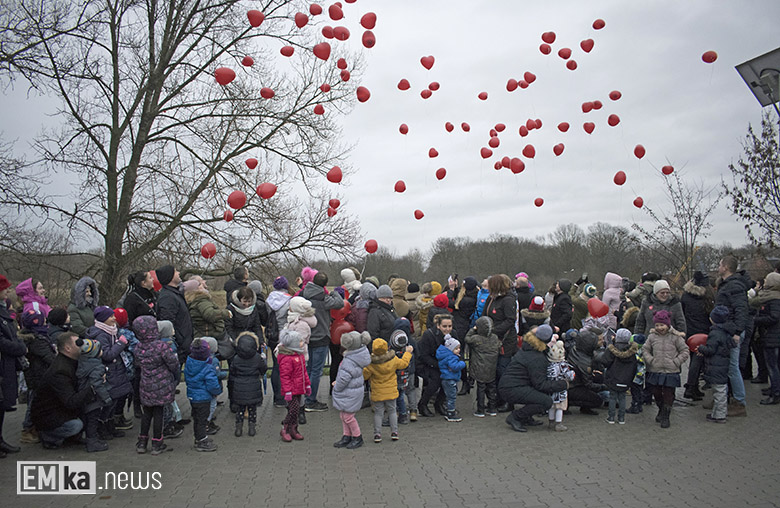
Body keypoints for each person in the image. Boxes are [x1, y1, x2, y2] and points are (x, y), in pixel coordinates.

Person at [498, 324, 569, 433]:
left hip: (510, 385)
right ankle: (515, 417)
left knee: (537, 396)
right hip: (511, 388)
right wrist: (563, 384)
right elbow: (540, 384)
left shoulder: (529, 347)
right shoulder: (536, 357)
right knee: (545, 402)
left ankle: (526, 417)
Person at [31, 332, 95, 449]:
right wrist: (92, 387)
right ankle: (48, 436)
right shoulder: (60, 371)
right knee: (76, 425)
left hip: (60, 409)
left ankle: (71, 436)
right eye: (77, 343)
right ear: (68, 348)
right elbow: (70, 401)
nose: (82, 345)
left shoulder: (70, 363)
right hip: (48, 415)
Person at [133, 315, 179, 454]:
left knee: (147, 413)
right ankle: (157, 443)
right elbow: (173, 363)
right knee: (159, 413)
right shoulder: (161, 346)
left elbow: (137, 363)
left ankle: (142, 442)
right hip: (161, 384)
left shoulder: (138, 347)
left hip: (145, 383)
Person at [86, 305, 132, 439]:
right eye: (110, 316)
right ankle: (102, 427)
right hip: (108, 371)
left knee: (115, 400)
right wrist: (121, 344)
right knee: (108, 402)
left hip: (116, 371)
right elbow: (106, 355)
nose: (114, 318)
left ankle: (111, 425)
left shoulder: (112, 331)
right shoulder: (101, 334)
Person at [714, 255, 751, 416]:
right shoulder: (728, 285)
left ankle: (739, 402)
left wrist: (737, 332)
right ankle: (723, 399)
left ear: (726, 267)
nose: (718, 267)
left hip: (731, 331)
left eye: (720, 264)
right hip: (726, 329)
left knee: (732, 367)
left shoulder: (734, 286)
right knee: (726, 366)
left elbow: (741, 310)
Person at [302, 272, 344, 412]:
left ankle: (305, 396)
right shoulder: (324, 298)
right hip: (321, 337)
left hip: (307, 336)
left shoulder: (304, 294)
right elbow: (339, 303)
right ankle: (311, 401)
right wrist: (334, 293)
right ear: (325, 285)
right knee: (316, 371)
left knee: (308, 369)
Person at [643, 310, 689, 429]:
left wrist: (676, 362)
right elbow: (645, 349)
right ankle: (661, 409)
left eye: (662, 325)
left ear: (667, 324)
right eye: (657, 325)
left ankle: (666, 416)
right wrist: (651, 360)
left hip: (671, 370)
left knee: (669, 393)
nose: (659, 327)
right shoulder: (652, 337)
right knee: (657, 393)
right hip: (656, 369)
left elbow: (685, 351)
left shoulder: (675, 337)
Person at [363, 338, 413, 442]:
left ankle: (377, 434)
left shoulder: (371, 363)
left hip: (377, 392)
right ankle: (394, 432)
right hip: (391, 391)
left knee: (378, 413)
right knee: (392, 411)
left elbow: (365, 376)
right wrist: (408, 353)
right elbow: (403, 364)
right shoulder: (392, 359)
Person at [481, 274, 519, 412]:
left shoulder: (508, 300)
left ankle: (508, 401)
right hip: (491, 339)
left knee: (503, 371)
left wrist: (494, 331)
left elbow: (510, 321)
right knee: (494, 371)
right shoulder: (492, 299)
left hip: (505, 341)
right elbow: (484, 315)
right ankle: (496, 399)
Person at [19, 310, 55, 444]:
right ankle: (27, 429)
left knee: (34, 400)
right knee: (34, 402)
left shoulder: (37, 338)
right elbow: (49, 358)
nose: (45, 322)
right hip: (37, 376)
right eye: (43, 320)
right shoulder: (37, 340)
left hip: (36, 376)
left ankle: (33, 427)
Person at [1, 275, 27, 456]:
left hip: (7, 363)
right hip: (3, 362)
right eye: (5, 288)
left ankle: (0, 439)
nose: (9, 291)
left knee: (2, 404)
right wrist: (19, 347)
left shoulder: (4, 310)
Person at [331, 331, 371, 449]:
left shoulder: (349, 360)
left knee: (348, 416)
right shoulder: (358, 356)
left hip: (349, 392)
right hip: (352, 391)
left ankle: (357, 436)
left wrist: (337, 386)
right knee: (344, 415)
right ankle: (346, 435)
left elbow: (344, 378)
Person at [698, 306, 735, 422]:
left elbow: (711, 350)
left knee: (719, 392)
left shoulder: (715, 333)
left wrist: (701, 348)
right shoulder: (727, 332)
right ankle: (716, 414)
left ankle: (720, 415)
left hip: (716, 366)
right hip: (722, 365)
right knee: (720, 391)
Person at [681, 271, 714, 400]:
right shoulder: (708, 296)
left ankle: (693, 386)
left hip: (689, 331)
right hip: (704, 331)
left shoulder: (685, 296)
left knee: (694, 359)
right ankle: (691, 386)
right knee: (698, 360)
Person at [185, 338, 221, 451]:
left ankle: (199, 438)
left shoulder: (189, 362)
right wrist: (217, 392)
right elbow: (212, 384)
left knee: (197, 419)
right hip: (203, 398)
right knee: (202, 420)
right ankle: (201, 440)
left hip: (193, 396)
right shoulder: (208, 368)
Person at [76, 339, 111, 452]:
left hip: (83, 396)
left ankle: (88, 438)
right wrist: (106, 398)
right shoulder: (97, 367)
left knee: (86, 418)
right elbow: (97, 384)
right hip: (94, 399)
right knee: (92, 420)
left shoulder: (81, 363)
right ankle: (92, 442)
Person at [229, 331, 267, 437]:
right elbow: (263, 369)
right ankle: (251, 428)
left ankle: (239, 428)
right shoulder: (257, 358)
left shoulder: (236, 358)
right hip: (253, 386)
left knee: (240, 409)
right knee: (252, 409)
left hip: (239, 387)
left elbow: (232, 371)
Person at [156, 265, 193, 364]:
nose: (179, 273)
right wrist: (181, 342)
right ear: (170, 276)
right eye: (176, 271)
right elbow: (168, 322)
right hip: (178, 347)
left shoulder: (174, 294)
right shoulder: (167, 297)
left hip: (184, 344)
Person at [277, 329, 310, 442]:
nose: (302, 343)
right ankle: (285, 428)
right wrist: (287, 391)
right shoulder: (287, 359)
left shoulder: (299, 356)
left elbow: (304, 372)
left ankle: (294, 429)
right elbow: (285, 377)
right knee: (294, 409)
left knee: (296, 409)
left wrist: (307, 385)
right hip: (290, 390)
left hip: (299, 388)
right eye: (300, 341)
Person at [464, 316, 500, 417]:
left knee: (481, 388)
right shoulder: (494, 338)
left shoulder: (476, 339)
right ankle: (492, 408)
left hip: (479, 368)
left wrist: (472, 329)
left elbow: (467, 339)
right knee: (492, 388)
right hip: (491, 368)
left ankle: (480, 409)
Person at [601, 329, 639, 425]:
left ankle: (611, 417)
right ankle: (621, 418)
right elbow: (635, 367)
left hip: (613, 378)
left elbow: (605, 362)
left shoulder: (612, 349)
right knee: (622, 398)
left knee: (613, 397)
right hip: (626, 379)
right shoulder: (632, 352)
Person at [416, 313, 451, 417]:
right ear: (438, 326)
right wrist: (439, 365)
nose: (447, 329)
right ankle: (423, 404)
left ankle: (439, 404)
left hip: (444, 363)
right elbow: (424, 355)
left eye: (449, 326)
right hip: (427, 363)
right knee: (436, 381)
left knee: (450, 379)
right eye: (444, 326)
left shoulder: (453, 334)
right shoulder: (428, 335)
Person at [565, 329, 607, 414]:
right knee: (597, 401)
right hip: (574, 387)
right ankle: (568, 402)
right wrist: (605, 387)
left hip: (573, 383)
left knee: (598, 378)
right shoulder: (584, 362)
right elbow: (588, 384)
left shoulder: (576, 349)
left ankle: (583, 406)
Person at [266, 276, 292, 407]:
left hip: (272, 335)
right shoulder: (289, 300)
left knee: (276, 366)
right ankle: (283, 396)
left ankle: (277, 396)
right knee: (283, 367)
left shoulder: (269, 300)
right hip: (284, 335)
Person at [755, 272, 780, 405]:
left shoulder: (774, 299)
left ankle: (776, 393)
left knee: (772, 366)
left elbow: (774, 317)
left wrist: (758, 320)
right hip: (773, 336)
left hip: (772, 337)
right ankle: (775, 388)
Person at [545, 336, 575, 431]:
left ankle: (551, 422)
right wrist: (572, 374)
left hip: (550, 388)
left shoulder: (548, 365)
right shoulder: (563, 365)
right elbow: (568, 375)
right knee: (560, 407)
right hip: (561, 390)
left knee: (551, 406)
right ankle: (558, 424)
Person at [436, 336, 466, 422]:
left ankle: (450, 411)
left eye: (459, 348)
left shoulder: (447, 356)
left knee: (450, 396)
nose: (458, 350)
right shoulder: (451, 357)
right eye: (456, 348)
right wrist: (462, 363)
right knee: (451, 397)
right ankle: (451, 413)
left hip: (448, 378)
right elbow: (454, 367)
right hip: (450, 379)